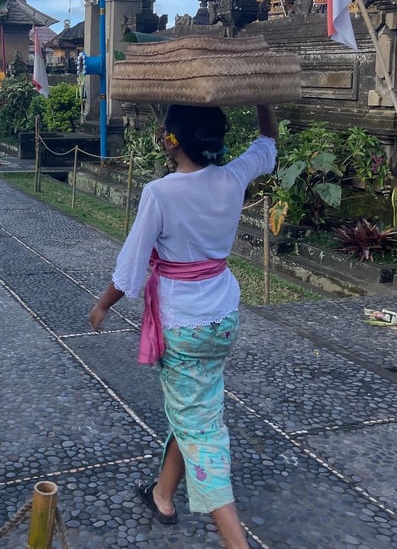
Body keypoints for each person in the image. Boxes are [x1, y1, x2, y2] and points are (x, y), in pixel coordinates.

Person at [89, 104, 278, 549]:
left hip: (183, 326)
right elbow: (268, 144)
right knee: (196, 408)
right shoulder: (232, 178)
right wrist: (263, 99)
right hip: (222, 319)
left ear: (171, 141)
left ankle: (236, 540)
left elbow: (131, 269)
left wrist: (102, 306)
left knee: (202, 430)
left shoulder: (161, 192)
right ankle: (163, 495)